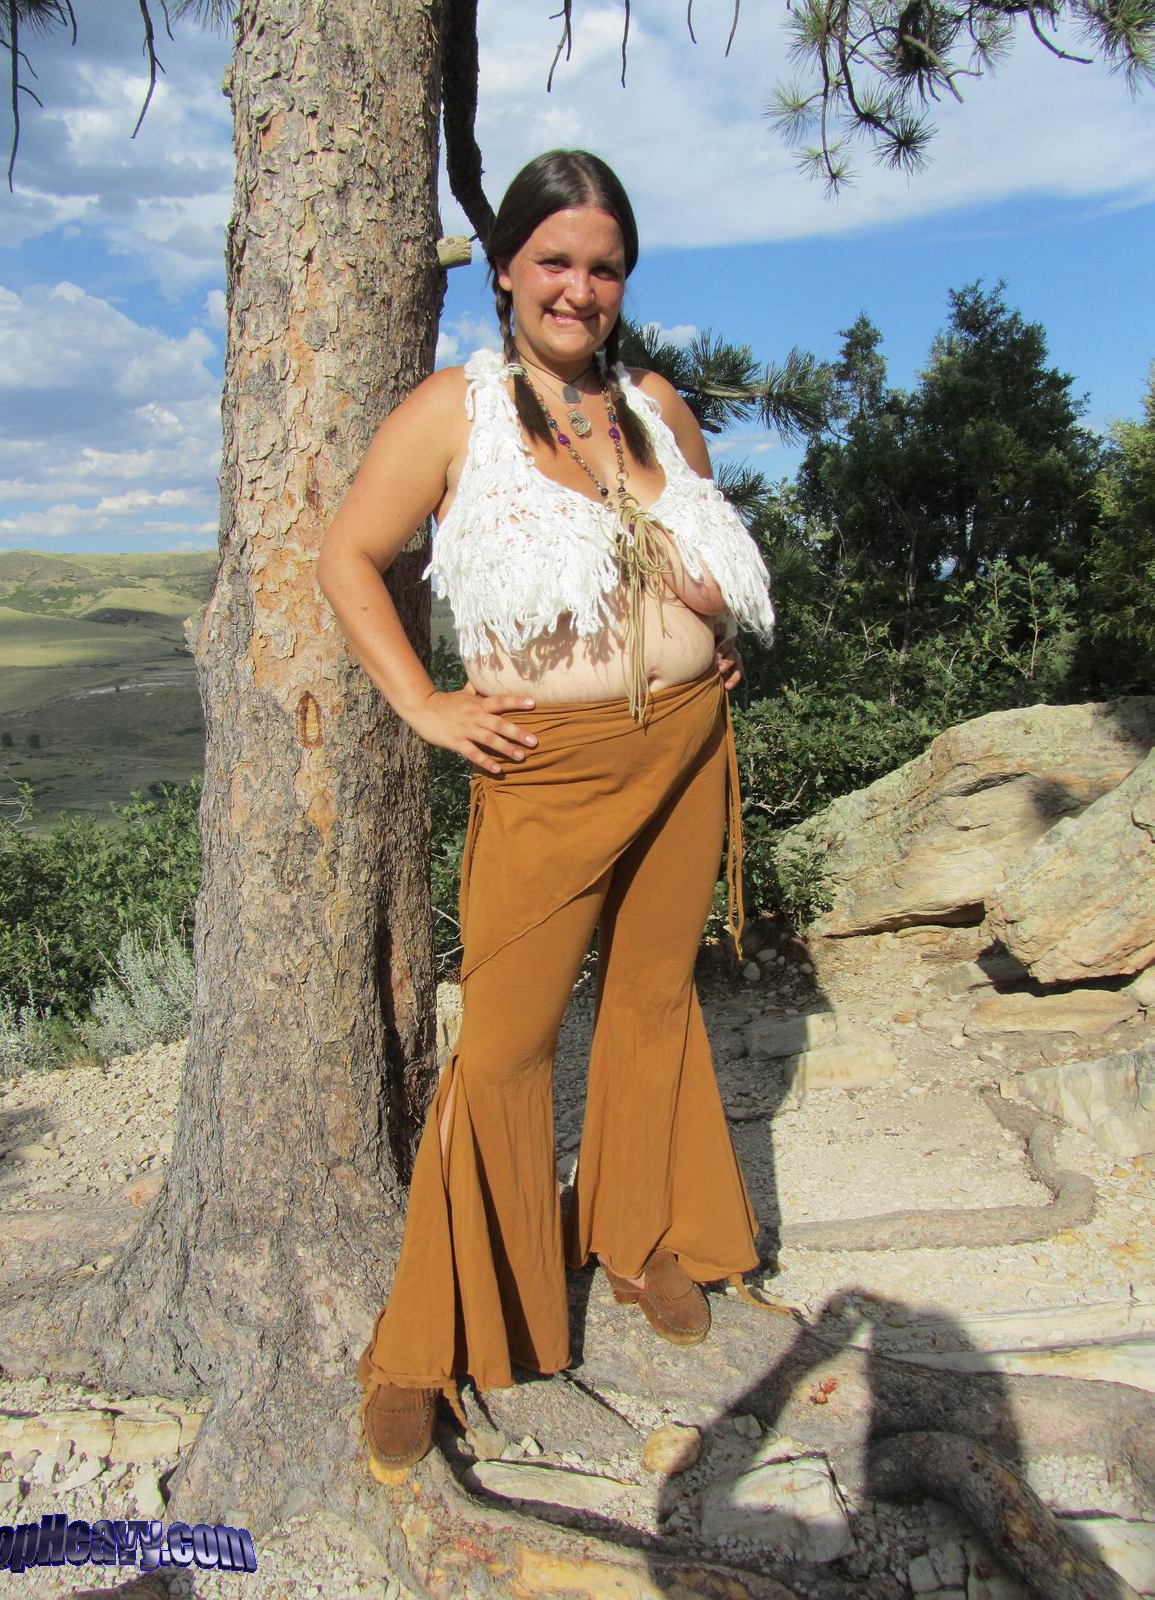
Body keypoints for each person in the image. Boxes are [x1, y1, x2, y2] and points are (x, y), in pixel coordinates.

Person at [316, 149, 777, 1481]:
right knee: (507, 1046)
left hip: (684, 747)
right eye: (555, 261)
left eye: (604, 266)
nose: (579, 288)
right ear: (510, 268)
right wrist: (424, 704)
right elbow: (348, 556)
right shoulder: (451, 411)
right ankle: (429, 1340)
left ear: (625, 279)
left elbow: (697, 558)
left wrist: (721, 646)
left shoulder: (656, 408)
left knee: (650, 998)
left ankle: (638, 1235)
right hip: (546, 767)